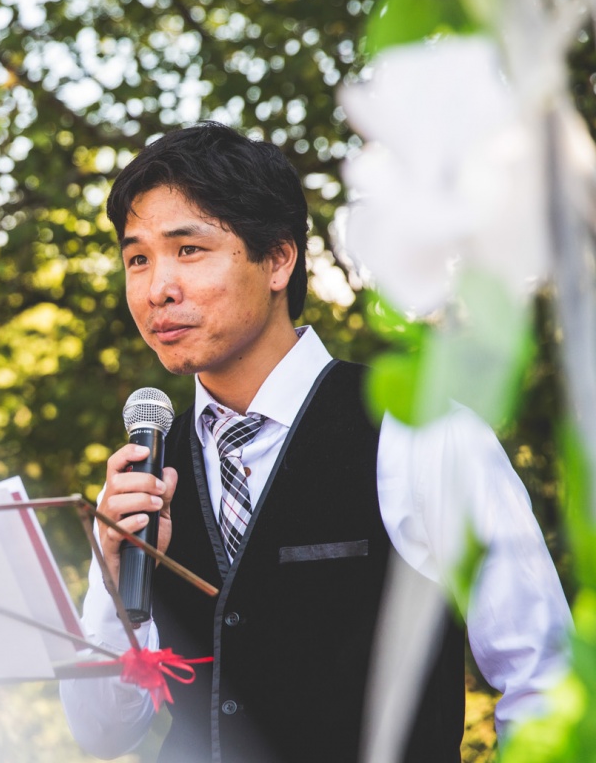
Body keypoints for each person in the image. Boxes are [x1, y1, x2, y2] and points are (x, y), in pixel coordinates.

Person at [59, 122, 572, 763]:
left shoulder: (423, 435)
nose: (158, 287)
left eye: (188, 250)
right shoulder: (145, 474)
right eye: (137, 258)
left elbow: (545, 679)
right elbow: (103, 734)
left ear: (278, 259)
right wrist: (114, 589)